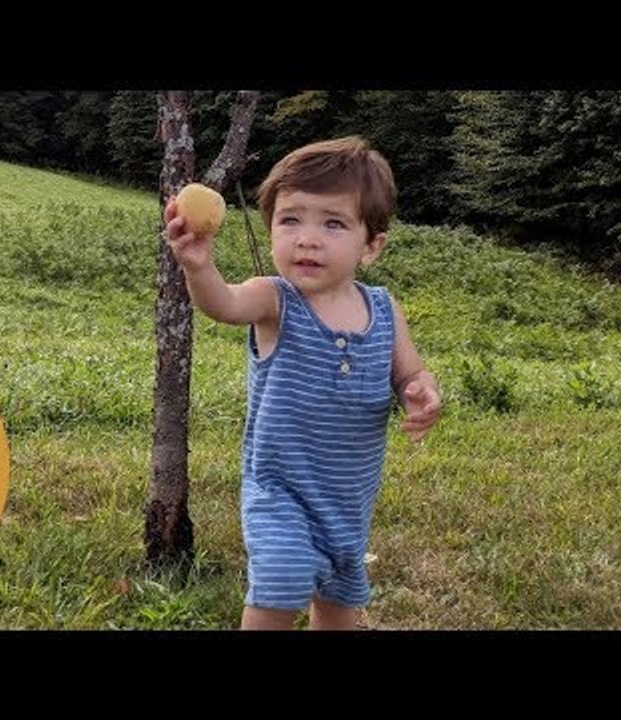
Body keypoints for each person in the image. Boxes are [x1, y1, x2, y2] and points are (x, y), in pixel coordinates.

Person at [164, 136, 442, 630]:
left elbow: (409, 373)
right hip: (280, 491)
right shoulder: (273, 299)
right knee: (282, 577)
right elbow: (222, 305)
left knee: (339, 597)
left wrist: (420, 391)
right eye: (291, 219)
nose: (306, 238)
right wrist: (199, 266)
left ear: (372, 245)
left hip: (346, 498)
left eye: (333, 223)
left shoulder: (384, 310)